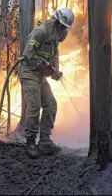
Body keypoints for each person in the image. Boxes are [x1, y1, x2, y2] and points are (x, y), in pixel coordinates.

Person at [18, 8, 75, 159]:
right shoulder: (41, 32)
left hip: (40, 75)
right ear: (56, 22)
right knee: (35, 106)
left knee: (51, 104)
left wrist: (55, 71)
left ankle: (44, 141)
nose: (64, 31)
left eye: (65, 28)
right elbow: (29, 55)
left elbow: (54, 57)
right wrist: (44, 66)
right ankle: (30, 141)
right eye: (63, 26)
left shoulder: (56, 37)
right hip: (29, 72)